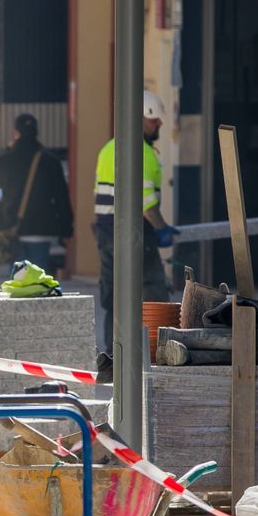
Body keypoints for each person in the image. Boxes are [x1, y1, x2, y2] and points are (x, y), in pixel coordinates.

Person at [92, 90, 176, 383]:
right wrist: (163, 228)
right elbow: (145, 203)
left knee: (114, 295)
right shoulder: (139, 152)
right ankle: (158, 355)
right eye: (154, 120)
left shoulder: (109, 148)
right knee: (153, 293)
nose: (159, 125)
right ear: (141, 118)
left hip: (107, 233)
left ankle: (111, 361)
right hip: (134, 233)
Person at [0, 113, 74, 271]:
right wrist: (67, 228)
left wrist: (8, 148)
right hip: (41, 229)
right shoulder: (50, 161)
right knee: (40, 280)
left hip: (12, 228)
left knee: (17, 282)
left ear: (16, 133)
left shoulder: (7, 159)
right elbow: (62, 196)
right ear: (36, 132)